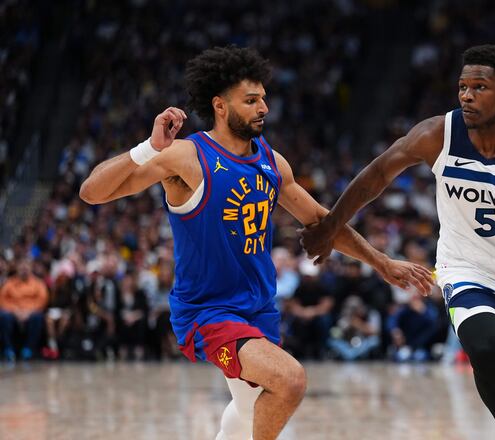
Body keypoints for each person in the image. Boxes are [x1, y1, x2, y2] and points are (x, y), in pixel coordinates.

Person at [79, 46, 433, 440]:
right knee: (290, 381)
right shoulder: (186, 157)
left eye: (264, 98)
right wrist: (149, 147)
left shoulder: (272, 162)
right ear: (219, 106)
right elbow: (92, 192)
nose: (263, 107)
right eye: (250, 101)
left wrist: (382, 262)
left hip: (259, 307)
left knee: (250, 407)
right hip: (208, 311)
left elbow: (322, 221)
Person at [301, 45, 495, 440]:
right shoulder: (438, 134)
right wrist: (330, 226)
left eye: (479, 87)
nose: (466, 95)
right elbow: (377, 175)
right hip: (468, 268)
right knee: (483, 348)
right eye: (463, 86)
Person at [0, 260, 49, 361]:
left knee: (37, 317)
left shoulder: (38, 283)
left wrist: (29, 312)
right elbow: (2, 299)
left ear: (30, 269)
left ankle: (29, 349)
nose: (24, 270)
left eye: (26, 268)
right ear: (17, 270)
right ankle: (8, 349)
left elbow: (43, 300)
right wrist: (15, 311)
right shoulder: (9, 283)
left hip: (31, 312)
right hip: (13, 312)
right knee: (3, 316)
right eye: (21, 268)